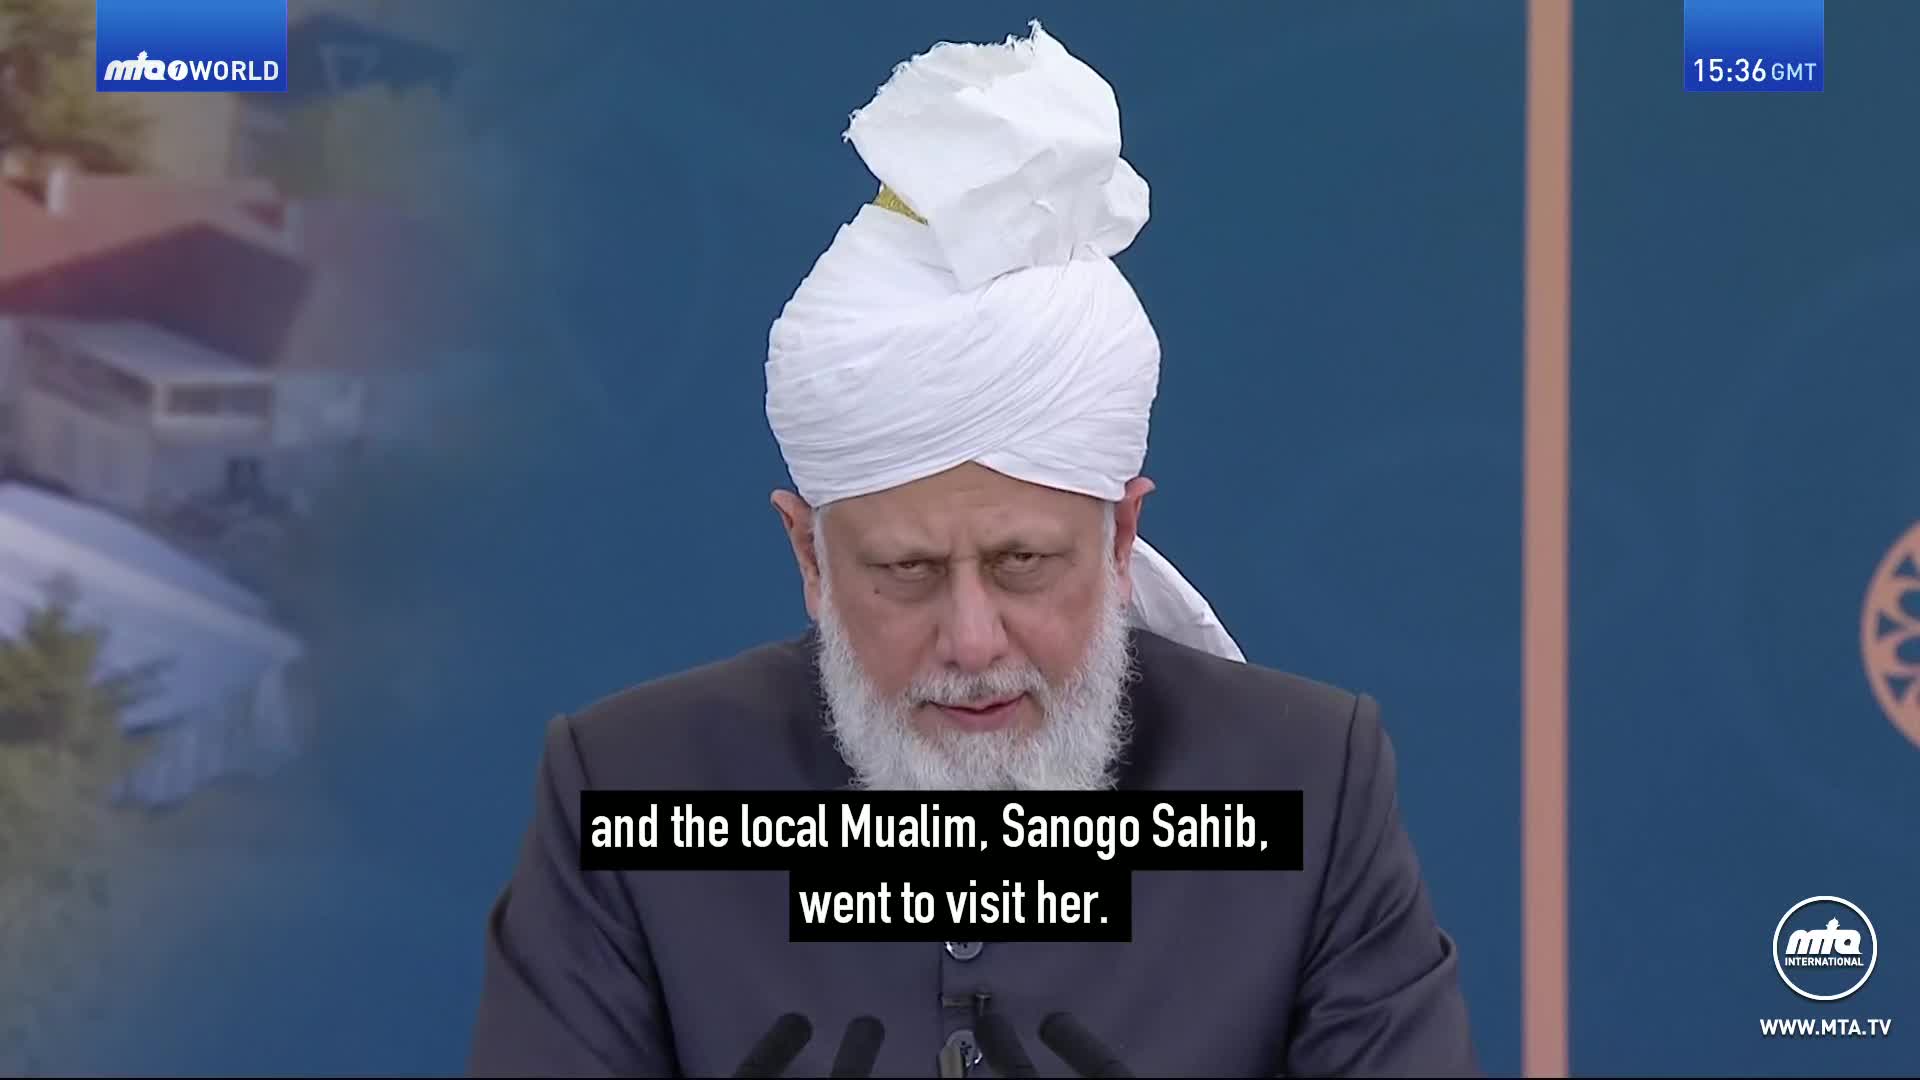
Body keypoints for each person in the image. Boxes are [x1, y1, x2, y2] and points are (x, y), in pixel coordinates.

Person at [469, 22, 1478, 1078]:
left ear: (1121, 536)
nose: (973, 638)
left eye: (1022, 564)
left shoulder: (1308, 785)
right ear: (809, 556)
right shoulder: (630, 792)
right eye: (906, 571)